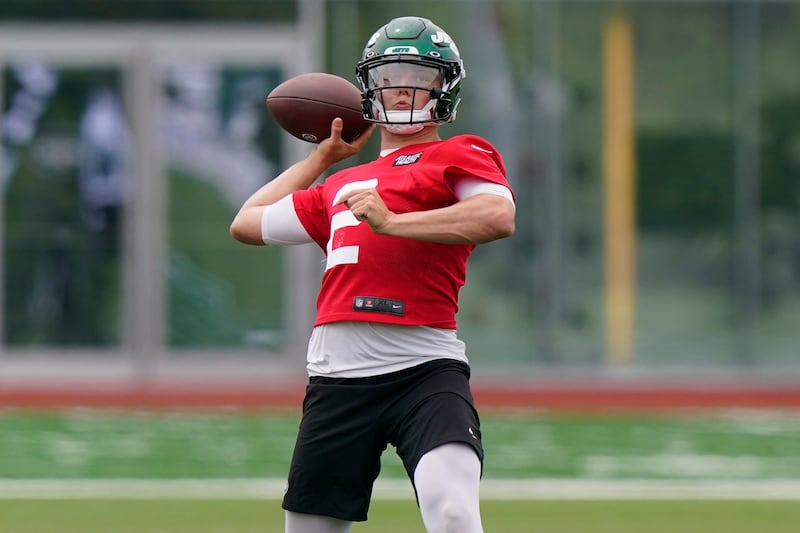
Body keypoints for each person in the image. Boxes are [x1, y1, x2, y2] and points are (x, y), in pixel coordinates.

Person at [230, 16, 515, 533]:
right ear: (368, 88)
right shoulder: (343, 183)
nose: (402, 88)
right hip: (337, 378)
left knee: (453, 511)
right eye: (389, 77)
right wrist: (320, 159)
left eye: (418, 76)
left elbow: (497, 216)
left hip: (424, 369)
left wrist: (394, 222)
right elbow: (246, 223)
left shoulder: (459, 152)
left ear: (445, 88)